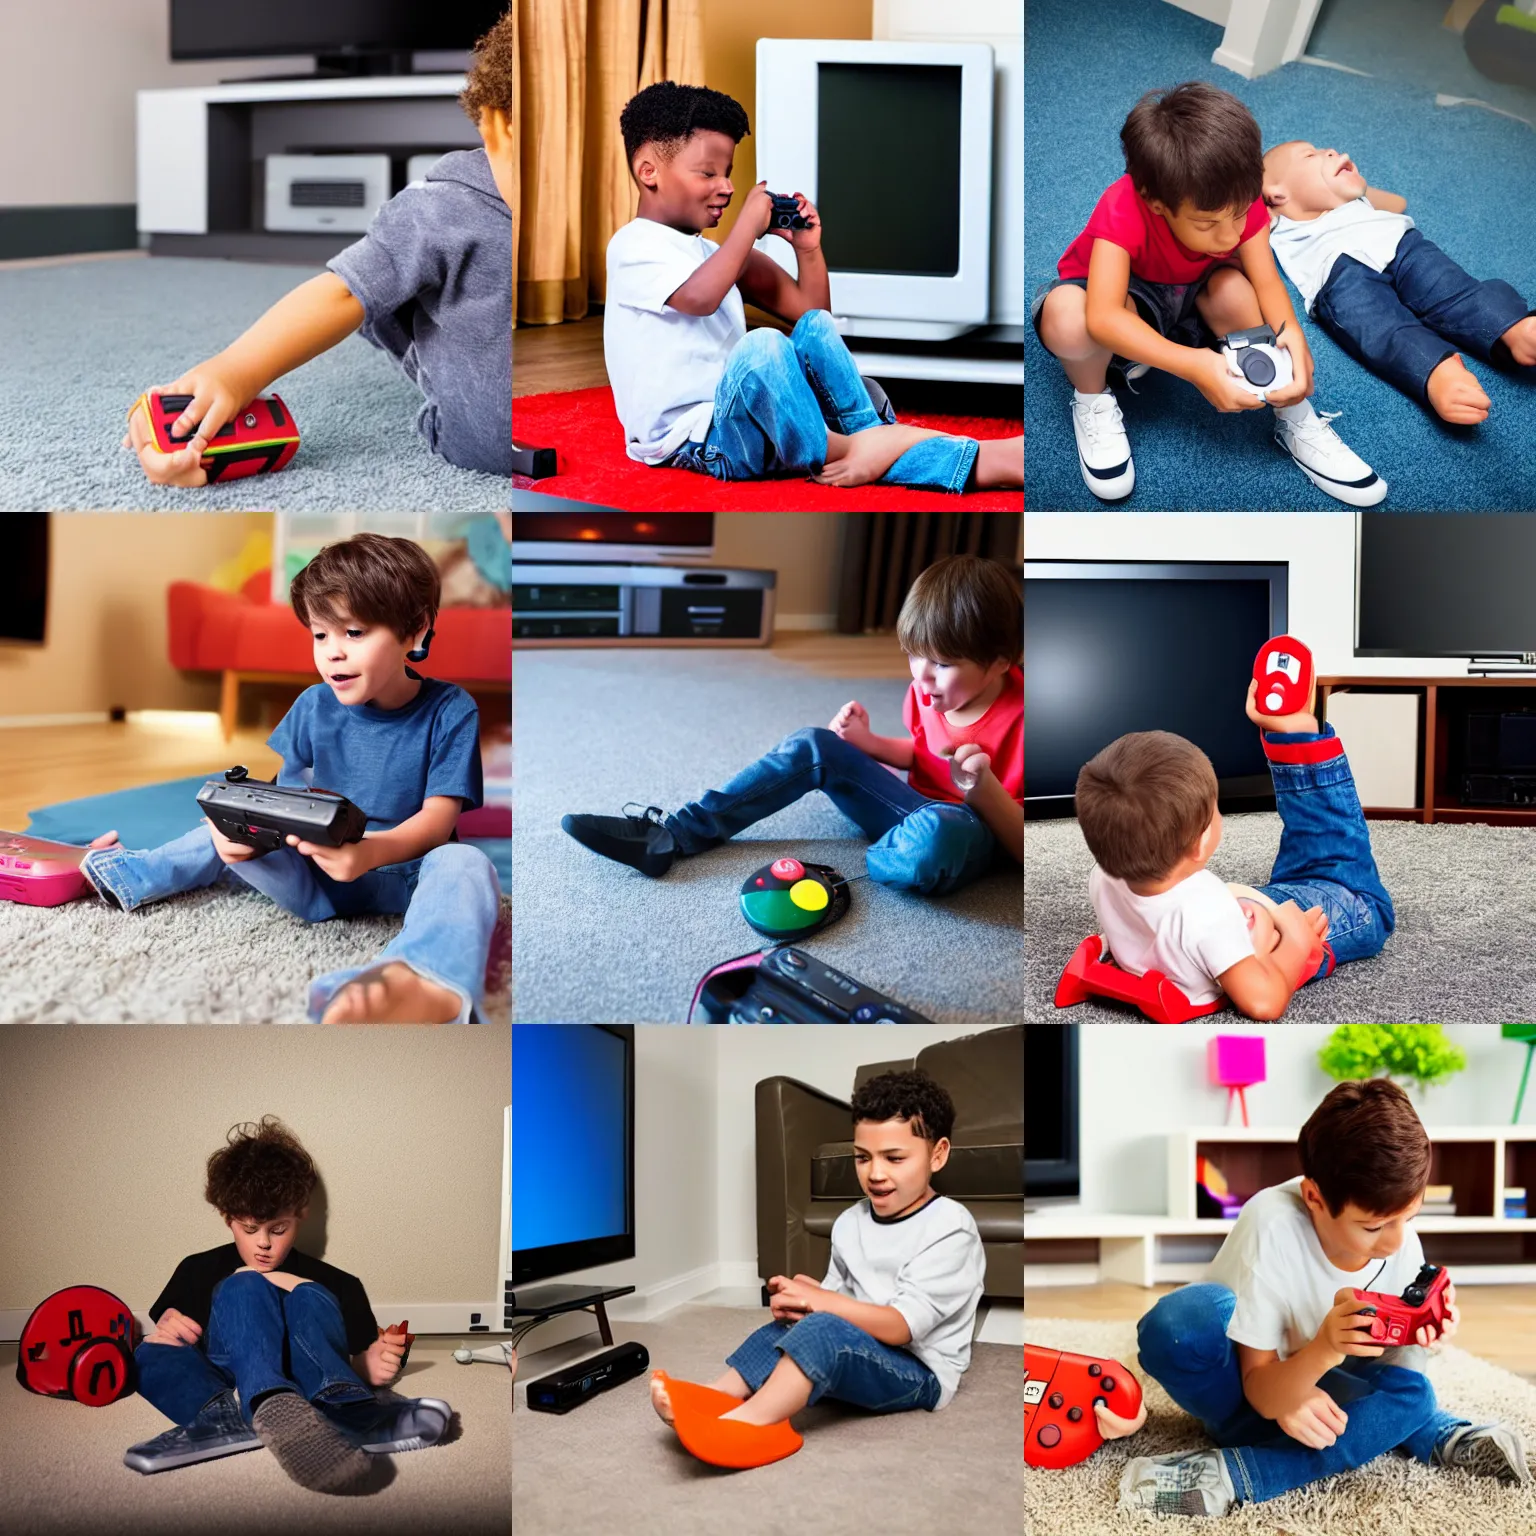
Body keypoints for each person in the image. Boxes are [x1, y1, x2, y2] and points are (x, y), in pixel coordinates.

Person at [80, 533, 499, 1024]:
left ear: (415, 631)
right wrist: (247, 836)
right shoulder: (312, 706)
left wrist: (368, 853)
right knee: (217, 827)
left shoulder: (451, 710)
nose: (332, 654)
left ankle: (424, 981)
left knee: (466, 863)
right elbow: (285, 797)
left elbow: (436, 822)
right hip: (317, 878)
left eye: (354, 633)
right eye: (320, 635)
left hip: (410, 875)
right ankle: (124, 874)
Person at [125, 14, 513, 484]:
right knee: (374, 280)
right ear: (498, 127)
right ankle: (400, 311)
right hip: (464, 418)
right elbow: (341, 293)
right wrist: (235, 371)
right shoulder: (446, 208)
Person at [1121, 1079, 1530, 1516]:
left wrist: (1425, 1330)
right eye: (1373, 1227)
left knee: (1412, 1393)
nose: (1395, 1242)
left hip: (1325, 1387)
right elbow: (1258, 1388)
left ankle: (1237, 1474)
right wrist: (1320, 1354)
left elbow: (1395, 1366)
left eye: (1410, 1216)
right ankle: (1426, 1433)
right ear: (1314, 1196)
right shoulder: (1272, 1224)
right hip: (1241, 1383)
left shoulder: (1399, 1238)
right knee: (1180, 1326)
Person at [602, 81, 1022, 493]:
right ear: (649, 172)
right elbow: (699, 299)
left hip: (760, 421)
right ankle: (870, 446)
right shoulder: (633, 247)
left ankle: (867, 438)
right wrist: (746, 228)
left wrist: (808, 250)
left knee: (815, 331)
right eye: (708, 173)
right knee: (762, 347)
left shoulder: (716, 254)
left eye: (728, 173)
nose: (727, 187)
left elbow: (811, 314)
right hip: (701, 441)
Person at [561, 554, 1021, 894]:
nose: (920, 675)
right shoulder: (928, 689)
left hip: (970, 826)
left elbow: (1023, 848)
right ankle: (669, 835)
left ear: (999, 662)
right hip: (907, 807)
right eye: (913, 654)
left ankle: (891, 859)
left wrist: (982, 789)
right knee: (812, 744)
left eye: (940, 663)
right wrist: (868, 743)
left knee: (939, 833)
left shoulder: (1025, 722)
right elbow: (921, 754)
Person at [1032, 81, 1384, 505]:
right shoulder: (1122, 205)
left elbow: (1268, 281)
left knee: (1235, 290)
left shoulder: (1238, 195)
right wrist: (1193, 366)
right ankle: (1092, 397)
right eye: (1207, 224)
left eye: (1239, 216)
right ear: (1155, 201)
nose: (1230, 234)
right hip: (1124, 303)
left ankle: (1294, 415)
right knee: (1068, 319)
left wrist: (1291, 333)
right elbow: (1104, 316)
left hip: (1191, 301)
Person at [650, 1071, 986, 1468]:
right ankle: (719, 1395)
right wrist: (806, 1301)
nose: (875, 1173)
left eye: (894, 1158)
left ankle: (752, 1421)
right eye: (863, 1157)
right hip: (863, 1346)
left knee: (823, 1330)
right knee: (794, 1327)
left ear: (938, 1154)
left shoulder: (951, 1228)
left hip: (919, 1371)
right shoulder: (850, 1221)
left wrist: (823, 1305)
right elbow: (837, 1302)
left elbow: (900, 1328)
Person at [1074, 638, 1393, 1020]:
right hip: (1335, 916)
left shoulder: (1105, 875)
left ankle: (1295, 738)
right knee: (1345, 867)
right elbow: (1264, 1001)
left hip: (1252, 910)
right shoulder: (1205, 913)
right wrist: (1297, 941)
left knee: (1311, 853)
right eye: (1215, 809)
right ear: (1199, 843)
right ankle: (1298, 736)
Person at [126, 1118, 451, 1491]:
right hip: (222, 1386)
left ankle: (345, 1409)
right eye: (249, 1230)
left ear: (301, 1212)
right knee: (148, 1352)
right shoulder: (197, 1270)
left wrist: (363, 1366)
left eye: (277, 1229)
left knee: (291, 1290)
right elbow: (173, 1343)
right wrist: (169, 1327)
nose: (263, 1243)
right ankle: (228, 1417)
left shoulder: (339, 1285)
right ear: (227, 1218)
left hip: (311, 1379)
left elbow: (352, 1353)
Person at [1262, 140, 1536, 425]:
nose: (1328, 152)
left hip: (1402, 246)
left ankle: (1515, 329)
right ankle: (1435, 371)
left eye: (1323, 150)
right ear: (1277, 195)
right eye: (1310, 155)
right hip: (1341, 275)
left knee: (1454, 291)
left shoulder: (1356, 204)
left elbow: (1397, 203)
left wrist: (1352, 185)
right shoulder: (1275, 222)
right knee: (1384, 331)